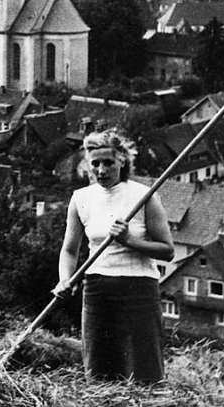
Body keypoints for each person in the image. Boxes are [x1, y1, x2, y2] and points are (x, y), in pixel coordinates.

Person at [53, 129, 174, 383]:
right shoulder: (81, 199)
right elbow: (69, 250)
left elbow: (167, 251)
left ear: (122, 160)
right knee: (98, 371)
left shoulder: (144, 195)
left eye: (108, 162)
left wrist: (129, 241)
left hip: (139, 288)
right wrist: (65, 279)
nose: (101, 170)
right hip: (97, 290)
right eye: (95, 163)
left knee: (144, 370)